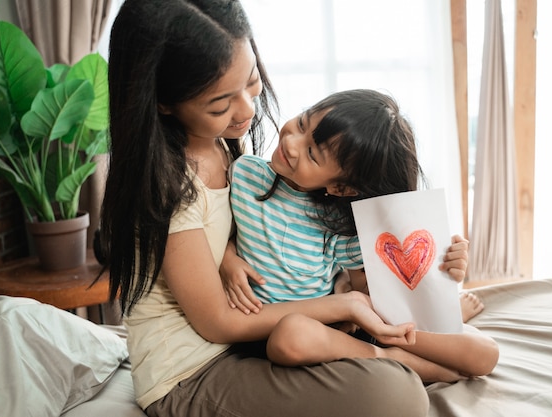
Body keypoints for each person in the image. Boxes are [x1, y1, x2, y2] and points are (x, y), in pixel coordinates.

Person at [99, 1, 431, 416]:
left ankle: (408, 360)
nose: (248, 110)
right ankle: (400, 364)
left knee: (399, 358)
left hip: (249, 343)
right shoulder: (167, 184)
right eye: (221, 105)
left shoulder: (223, 149)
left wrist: (228, 256)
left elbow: (240, 232)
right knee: (398, 396)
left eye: (252, 81)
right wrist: (340, 305)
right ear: (163, 103)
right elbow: (217, 322)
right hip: (189, 374)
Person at [220, 89, 499, 382]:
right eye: (303, 123)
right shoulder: (244, 175)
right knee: (291, 334)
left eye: (312, 154)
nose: (291, 143)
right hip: (276, 332)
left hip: (339, 327)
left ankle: (412, 337)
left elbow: (372, 294)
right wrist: (227, 258)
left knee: (484, 353)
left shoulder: (342, 223)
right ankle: (393, 358)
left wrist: (446, 267)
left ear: (341, 188)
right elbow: (216, 234)